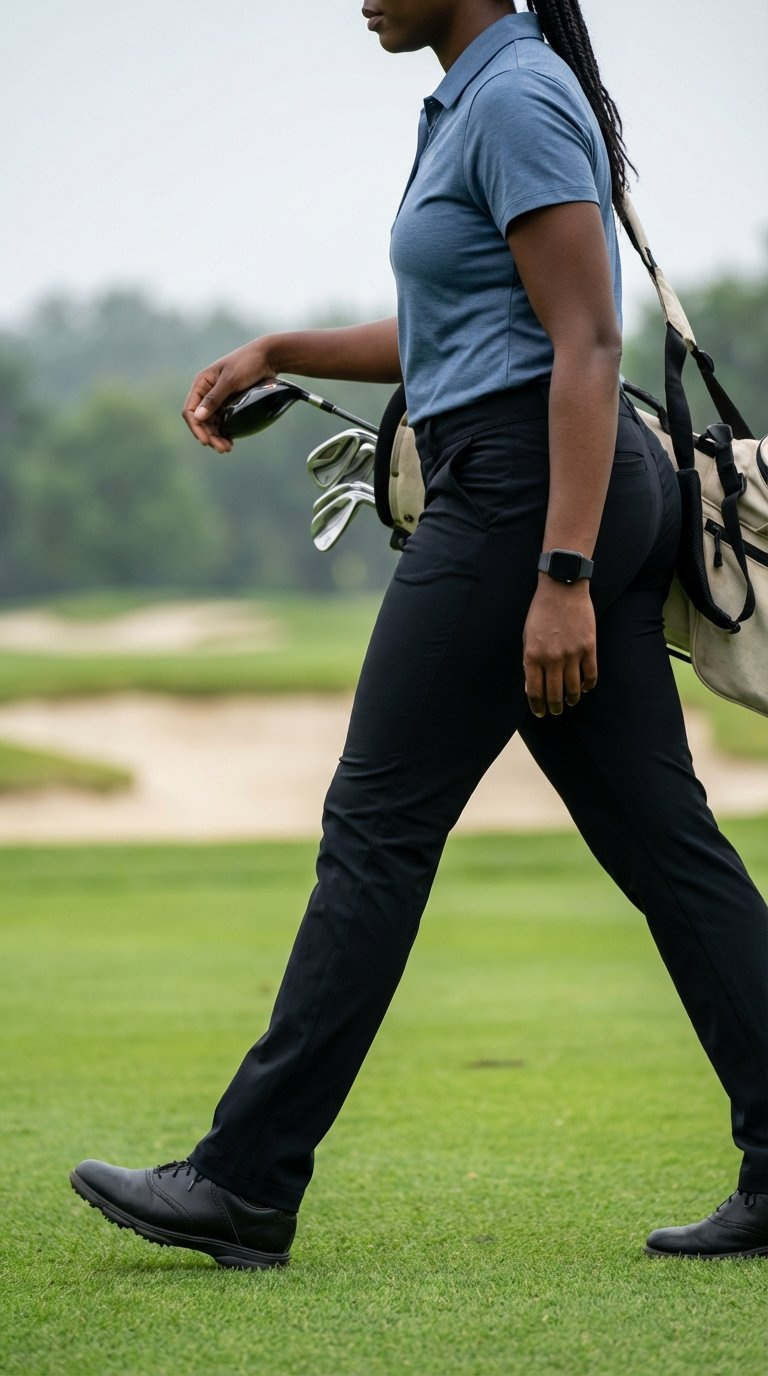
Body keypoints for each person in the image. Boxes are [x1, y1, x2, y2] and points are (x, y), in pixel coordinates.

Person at [70, 0, 768, 1267]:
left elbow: (589, 339)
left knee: (378, 826)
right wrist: (282, 346)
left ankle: (244, 1178)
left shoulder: (512, 98)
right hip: (550, 483)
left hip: (530, 495)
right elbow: (454, 334)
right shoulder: (476, 98)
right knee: (666, 844)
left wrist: (558, 570)